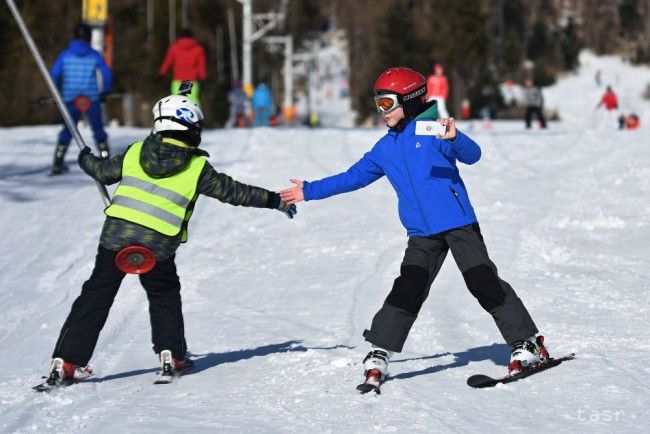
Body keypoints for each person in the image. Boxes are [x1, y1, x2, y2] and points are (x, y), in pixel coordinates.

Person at [279, 67, 548, 385]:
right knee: (409, 286)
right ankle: (380, 350)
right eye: (378, 105)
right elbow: (352, 177)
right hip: (421, 233)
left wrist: (456, 138)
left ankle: (528, 343)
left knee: (481, 279)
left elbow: (473, 155)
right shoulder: (385, 148)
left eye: (387, 104)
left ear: (409, 100)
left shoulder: (432, 130)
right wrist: (308, 190)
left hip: (458, 222)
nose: (382, 113)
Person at [40, 87, 297, 387]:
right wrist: (274, 200)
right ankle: (171, 354)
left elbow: (102, 172)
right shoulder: (197, 167)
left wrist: (85, 158)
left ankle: (67, 361)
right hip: (158, 246)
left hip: (115, 239)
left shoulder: (136, 151)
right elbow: (236, 192)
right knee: (163, 294)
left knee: (96, 295)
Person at [50, 22, 112, 175]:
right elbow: (107, 74)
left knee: (67, 130)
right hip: (91, 98)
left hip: (70, 98)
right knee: (98, 130)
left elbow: (54, 74)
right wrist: (105, 91)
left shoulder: (65, 54)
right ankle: (106, 160)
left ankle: (58, 162)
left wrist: (56, 91)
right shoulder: (94, 54)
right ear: (89, 37)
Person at [159, 28, 207, 105]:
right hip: (191, 81)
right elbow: (201, 65)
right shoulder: (198, 49)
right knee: (193, 103)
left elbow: (168, 61)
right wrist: (203, 77)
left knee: (177, 103)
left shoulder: (174, 48)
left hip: (177, 80)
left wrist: (162, 73)